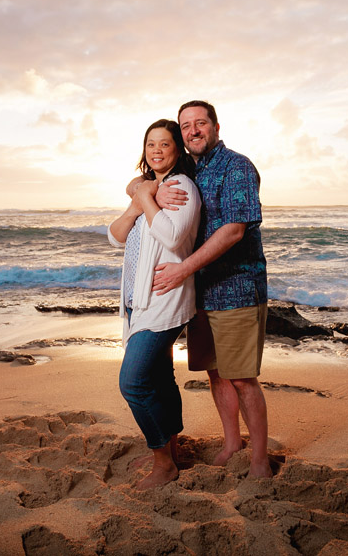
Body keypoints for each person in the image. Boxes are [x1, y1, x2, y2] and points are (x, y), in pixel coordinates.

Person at [151, 100, 272, 478]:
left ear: (216, 126)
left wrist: (181, 270)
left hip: (236, 288)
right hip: (203, 293)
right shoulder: (191, 170)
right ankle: (233, 443)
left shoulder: (236, 166)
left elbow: (234, 230)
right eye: (185, 126)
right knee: (216, 374)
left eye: (200, 123)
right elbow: (144, 177)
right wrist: (144, 191)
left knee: (242, 378)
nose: (193, 131)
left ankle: (259, 460)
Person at [108, 118, 202, 489]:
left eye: (164, 144)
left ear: (177, 149)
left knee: (133, 383)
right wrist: (140, 199)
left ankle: (163, 464)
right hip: (136, 301)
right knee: (161, 379)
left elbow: (174, 237)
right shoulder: (150, 189)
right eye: (151, 145)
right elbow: (116, 237)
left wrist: (145, 196)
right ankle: (172, 454)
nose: (157, 151)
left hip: (163, 301)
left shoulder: (182, 187)